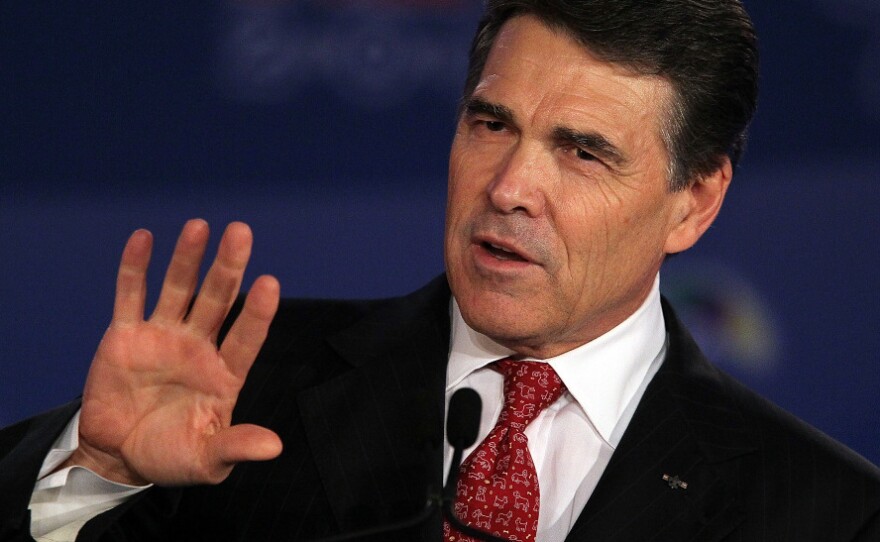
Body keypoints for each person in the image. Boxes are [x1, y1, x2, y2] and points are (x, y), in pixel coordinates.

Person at [1, 0, 879, 540]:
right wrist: (97, 476)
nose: (509, 188)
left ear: (694, 200)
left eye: (581, 152)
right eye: (492, 125)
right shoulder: (246, 387)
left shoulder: (825, 512)